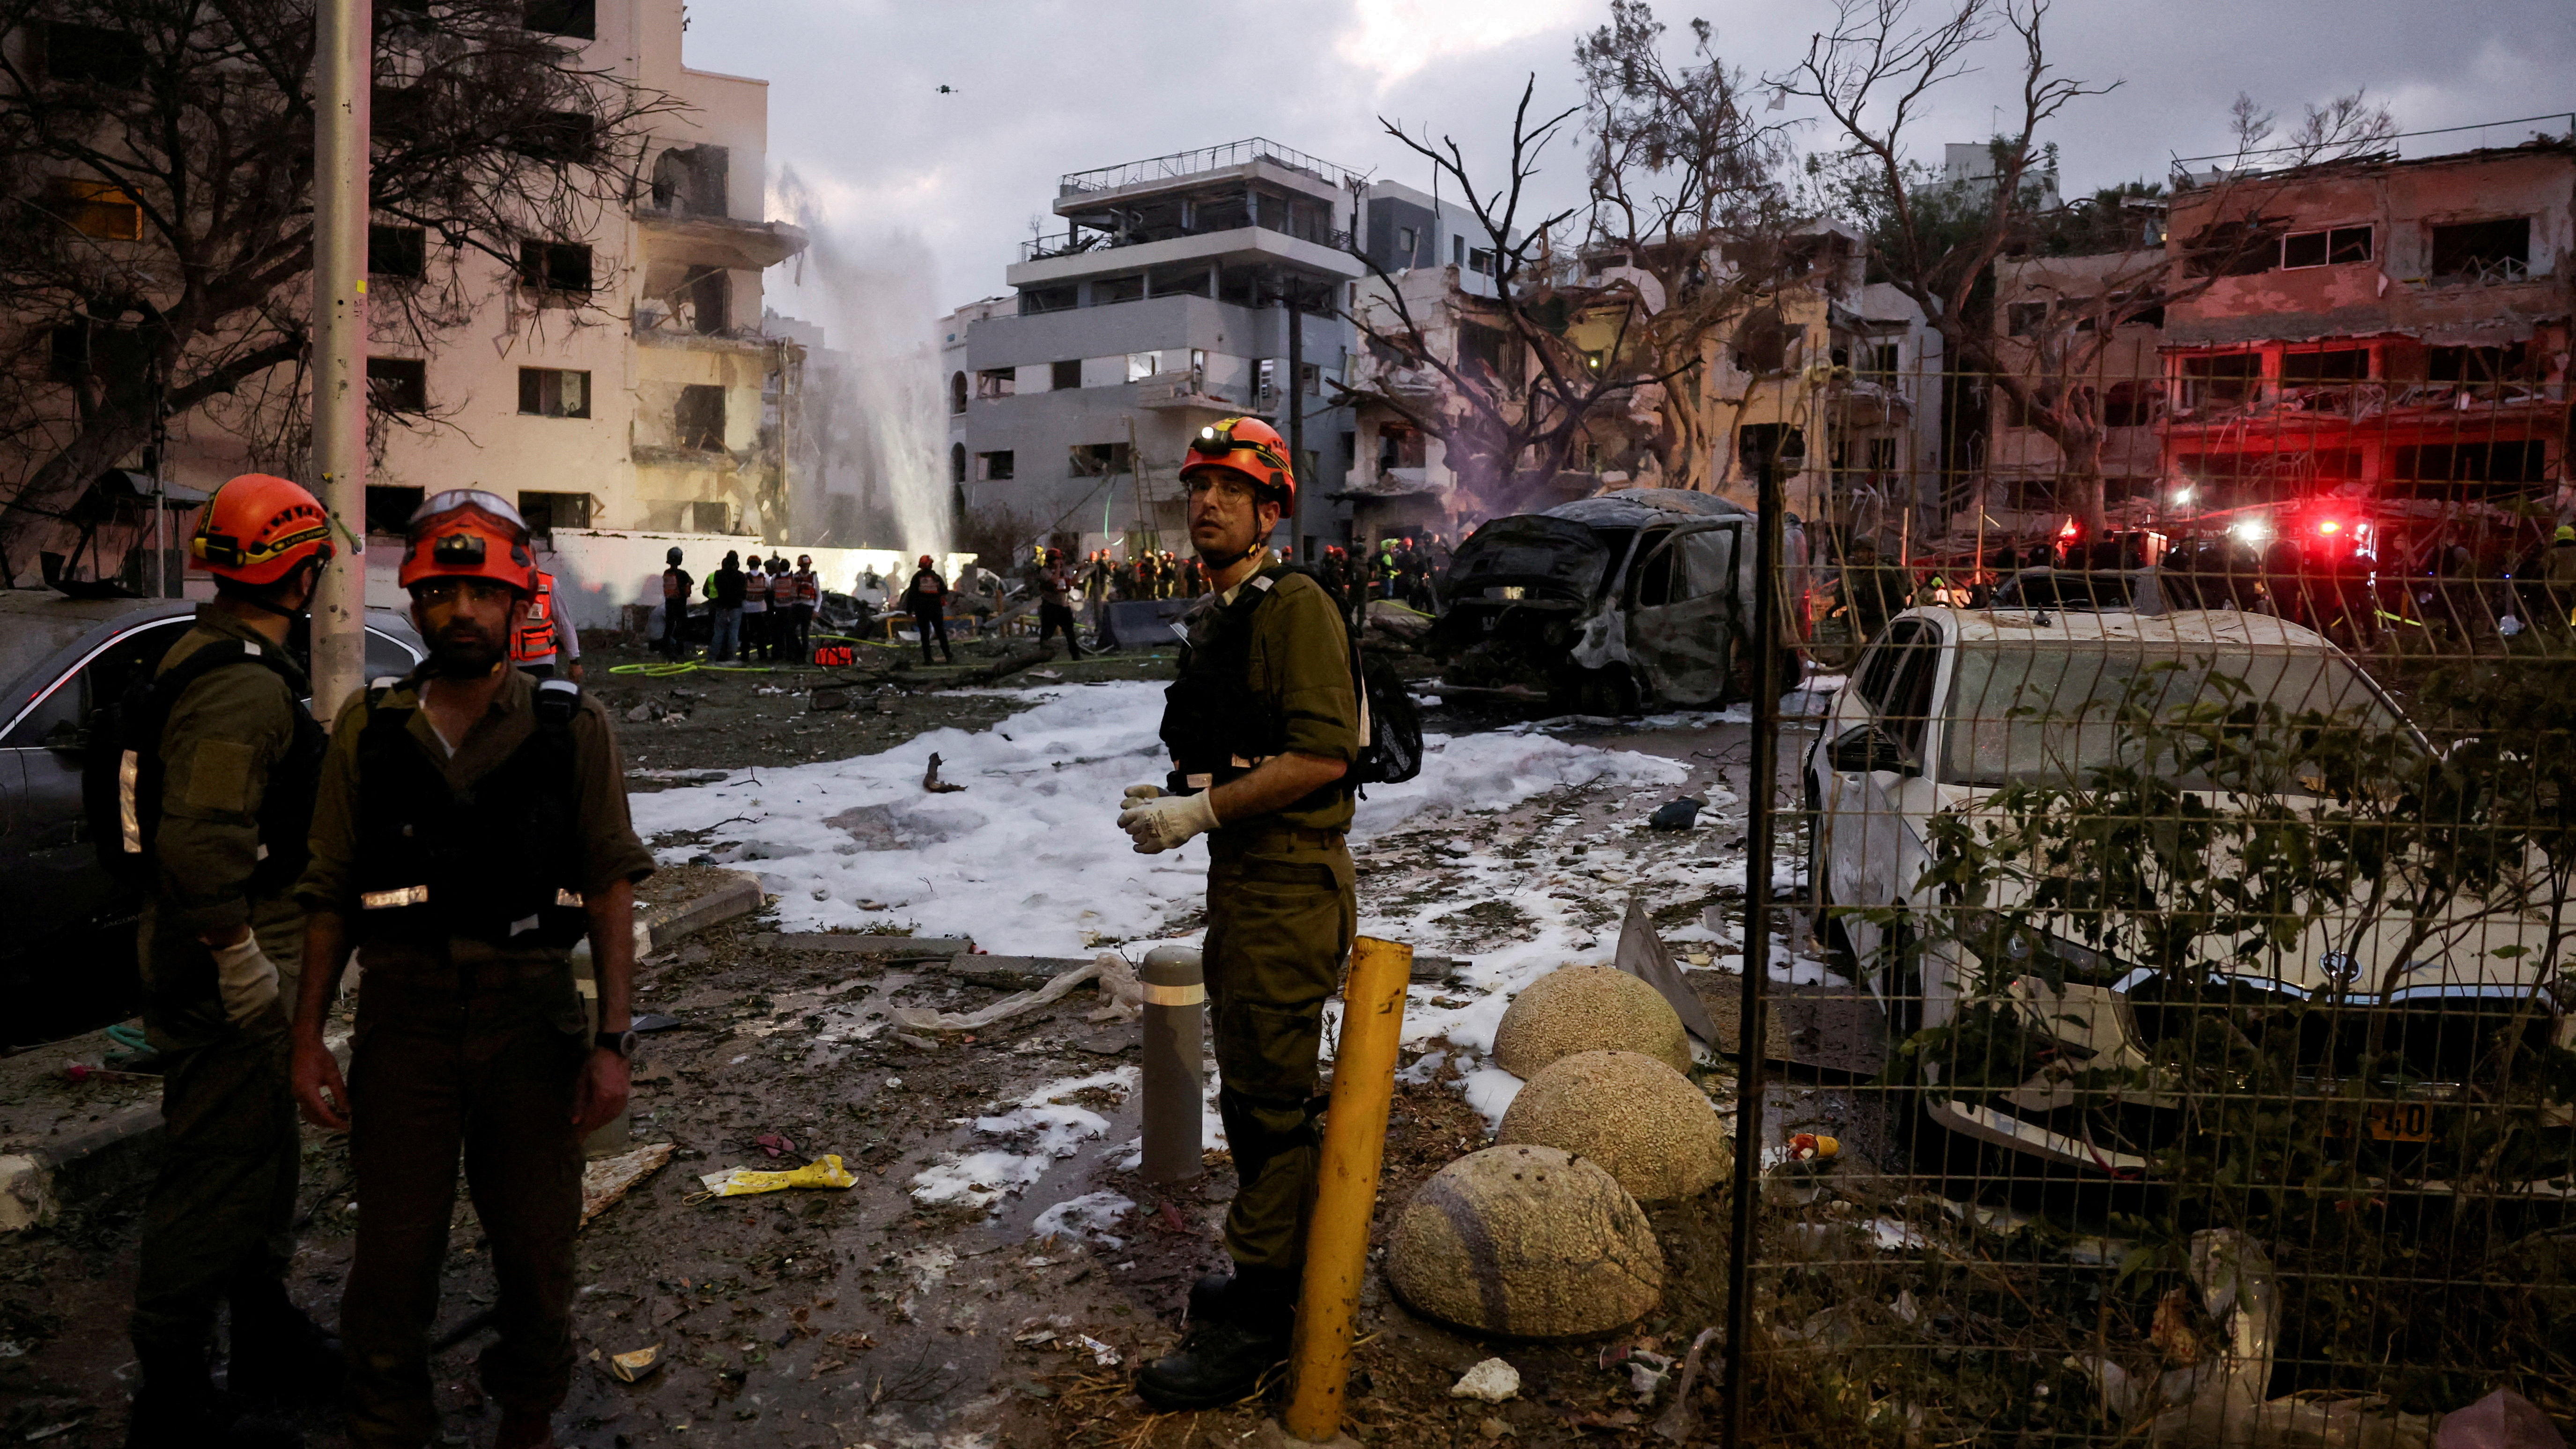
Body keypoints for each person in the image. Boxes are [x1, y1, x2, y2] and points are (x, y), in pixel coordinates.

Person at [288, 490, 652, 1449]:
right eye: (440, 591)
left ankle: (526, 1411)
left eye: (480, 592)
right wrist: (306, 1038)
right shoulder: (366, 733)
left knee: (535, 1248)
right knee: (393, 1252)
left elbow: (611, 886)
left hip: (529, 1022)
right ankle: (387, 1420)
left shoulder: (573, 729)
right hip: (400, 1025)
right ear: (412, 605)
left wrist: (613, 1041)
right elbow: (326, 892)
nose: (460, 609)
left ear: (517, 604)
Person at [1117, 418, 1358, 1410]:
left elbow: (1322, 754)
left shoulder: (1293, 605)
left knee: (1270, 1105)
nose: (1206, 502)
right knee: (1258, 1098)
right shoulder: (1229, 609)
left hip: (1287, 885)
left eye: (1230, 487)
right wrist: (1189, 798)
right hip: (1248, 880)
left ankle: (1262, 1327)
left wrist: (1200, 809)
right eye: (1197, 487)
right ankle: (1272, 1280)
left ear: (1270, 510)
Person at [123, 473, 343, 1447]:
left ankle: (263, 1334)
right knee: (216, 1169)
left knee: (259, 1151)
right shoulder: (243, 685)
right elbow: (202, 843)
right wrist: (243, 959)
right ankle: (172, 1396)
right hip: (227, 952)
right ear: (300, 572)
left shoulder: (211, 650)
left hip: (225, 942)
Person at [509, 563, 582, 681]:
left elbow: (564, 623)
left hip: (542, 662)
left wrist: (574, 660)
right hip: (507, 662)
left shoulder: (549, 583)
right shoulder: (502, 581)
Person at [1035, 547, 1086, 659]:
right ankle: (1042, 655)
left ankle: (1076, 655)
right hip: (1050, 606)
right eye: (1058, 560)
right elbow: (1054, 582)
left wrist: (1079, 571)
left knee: (1070, 632)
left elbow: (1073, 583)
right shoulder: (1045, 572)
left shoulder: (1064, 570)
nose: (1061, 562)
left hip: (1063, 606)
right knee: (1047, 633)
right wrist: (1057, 568)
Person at [904, 554, 954, 664]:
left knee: (925, 635)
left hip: (921, 609)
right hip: (935, 609)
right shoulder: (936, 577)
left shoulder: (917, 577)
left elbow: (911, 594)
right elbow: (944, 591)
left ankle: (928, 659)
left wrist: (909, 610)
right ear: (931, 565)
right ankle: (949, 657)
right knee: (941, 633)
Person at [705, 550, 745, 661]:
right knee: (734, 632)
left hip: (721, 605)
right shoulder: (741, 576)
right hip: (736, 607)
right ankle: (731, 657)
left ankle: (713, 657)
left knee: (719, 632)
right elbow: (743, 592)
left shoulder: (718, 575)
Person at [657, 547, 691, 660]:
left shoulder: (667, 573)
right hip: (680, 604)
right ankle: (679, 651)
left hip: (669, 604)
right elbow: (690, 582)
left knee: (669, 627)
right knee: (681, 628)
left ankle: (666, 650)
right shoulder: (682, 574)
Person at [785, 554, 820, 660]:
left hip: (808, 607)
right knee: (790, 630)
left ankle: (803, 657)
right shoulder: (795, 576)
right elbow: (791, 593)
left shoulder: (813, 577)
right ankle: (796, 652)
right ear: (800, 566)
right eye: (804, 566)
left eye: (807, 566)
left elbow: (819, 595)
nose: (806, 568)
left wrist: (816, 610)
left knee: (805, 633)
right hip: (796, 606)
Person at [741, 551, 773, 662]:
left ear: (749, 565)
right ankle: (763, 656)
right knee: (761, 634)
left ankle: (745, 656)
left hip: (747, 609)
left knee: (746, 635)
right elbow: (769, 589)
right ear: (759, 565)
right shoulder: (765, 576)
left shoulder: (744, 576)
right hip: (761, 609)